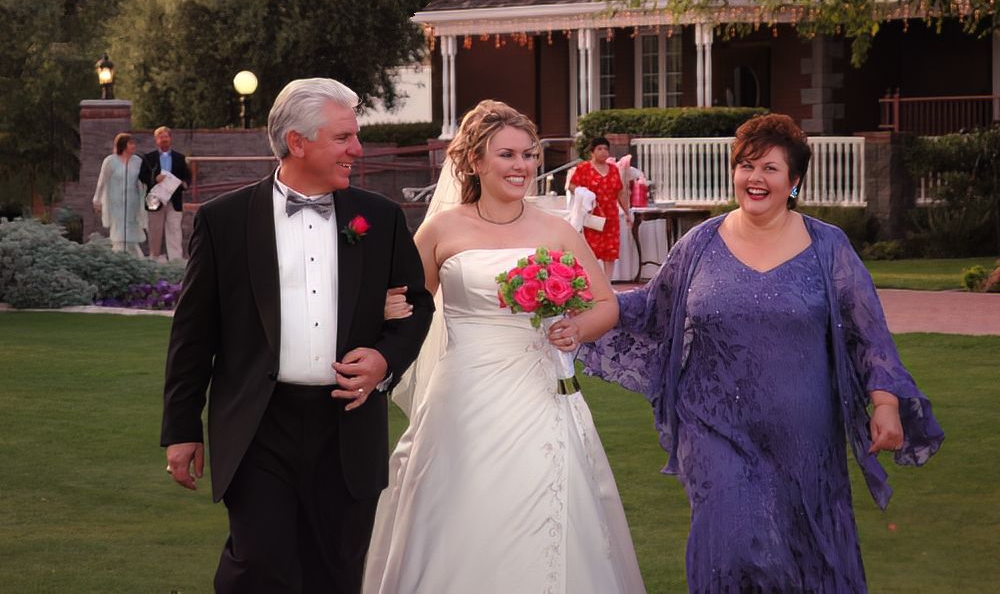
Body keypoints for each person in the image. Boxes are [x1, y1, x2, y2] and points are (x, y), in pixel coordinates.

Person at [580, 114, 944, 593]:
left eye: (770, 169)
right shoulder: (699, 243)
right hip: (712, 426)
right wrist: (575, 304)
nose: (755, 178)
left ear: (794, 181)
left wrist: (886, 403)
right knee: (729, 545)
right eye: (746, 166)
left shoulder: (828, 247)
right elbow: (650, 307)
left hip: (805, 435)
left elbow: (867, 334)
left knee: (806, 554)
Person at [160, 77, 434, 594]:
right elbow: (193, 333)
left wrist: (384, 360)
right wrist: (181, 427)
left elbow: (416, 308)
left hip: (348, 425)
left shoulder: (379, 217)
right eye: (343, 137)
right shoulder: (225, 220)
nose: (357, 148)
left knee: (335, 571)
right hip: (258, 425)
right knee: (258, 568)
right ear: (298, 142)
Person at [363, 100, 646, 594]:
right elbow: (411, 308)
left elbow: (606, 303)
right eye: (508, 155)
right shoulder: (441, 230)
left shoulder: (556, 229)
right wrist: (383, 313)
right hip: (463, 396)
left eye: (529, 155)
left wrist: (576, 329)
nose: (522, 167)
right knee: (462, 505)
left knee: (543, 501)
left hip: (541, 394)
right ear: (475, 161)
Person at [567, 136, 632, 277]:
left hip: (611, 216)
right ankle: (592, 282)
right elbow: (571, 186)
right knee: (591, 250)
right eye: (599, 149)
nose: (603, 152)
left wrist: (627, 212)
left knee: (610, 251)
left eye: (606, 149)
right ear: (592, 152)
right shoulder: (583, 168)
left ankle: (608, 282)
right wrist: (584, 194)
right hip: (592, 215)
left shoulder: (614, 170)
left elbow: (620, 192)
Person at [139, 126, 190, 262]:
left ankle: (176, 260)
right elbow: (142, 176)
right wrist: (154, 178)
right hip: (154, 199)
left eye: (166, 137)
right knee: (154, 231)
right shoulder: (149, 158)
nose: (164, 140)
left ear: (170, 139)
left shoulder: (180, 158)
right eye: (161, 137)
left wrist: (184, 184)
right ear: (156, 140)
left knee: (174, 230)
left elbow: (187, 177)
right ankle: (154, 259)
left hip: (174, 199)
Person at [92, 132, 147, 256]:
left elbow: (144, 180)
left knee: (132, 228)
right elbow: (102, 181)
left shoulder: (137, 161)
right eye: (131, 143)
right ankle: (118, 255)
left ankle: (135, 257)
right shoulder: (110, 161)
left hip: (133, 201)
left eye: (134, 143)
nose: (134, 146)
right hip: (116, 201)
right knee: (119, 230)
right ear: (123, 145)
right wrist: (97, 199)